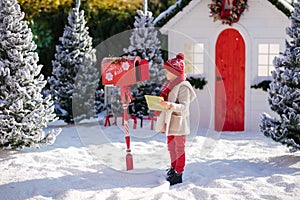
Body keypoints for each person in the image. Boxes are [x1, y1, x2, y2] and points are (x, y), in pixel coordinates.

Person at [155, 53, 196, 186]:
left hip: (179, 122)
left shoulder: (183, 86)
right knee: (171, 146)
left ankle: (179, 173)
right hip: (170, 121)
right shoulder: (169, 85)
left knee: (179, 148)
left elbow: (184, 106)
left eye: (168, 70)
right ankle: (173, 168)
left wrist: (170, 105)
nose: (166, 73)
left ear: (175, 71)